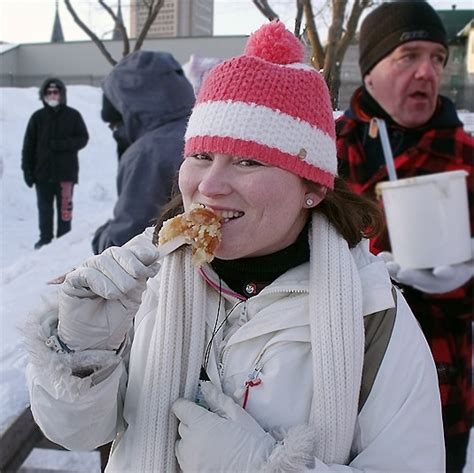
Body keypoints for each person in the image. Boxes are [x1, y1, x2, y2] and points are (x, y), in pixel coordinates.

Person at [25, 22, 444, 472]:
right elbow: (77, 433)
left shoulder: (372, 311)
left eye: (248, 161)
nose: (209, 185)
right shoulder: (145, 281)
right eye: (201, 156)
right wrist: (82, 349)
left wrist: (261, 466)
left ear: (313, 187)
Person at [335, 3, 473, 472]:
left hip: (440, 386)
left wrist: (460, 283)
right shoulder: (325, 152)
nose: (427, 71)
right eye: (408, 55)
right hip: (339, 387)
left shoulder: (465, 157)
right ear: (371, 70)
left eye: (437, 58)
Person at [91, 50, 195, 255]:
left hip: (167, 276)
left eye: (116, 124)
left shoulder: (147, 154)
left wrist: (101, 237)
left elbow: (124, 242)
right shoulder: (205, 128)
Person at [21, 78, 89, 250]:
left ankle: (64, 242)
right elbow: (28, 146)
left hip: (65, 174)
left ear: (62, 94)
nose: (52, 95)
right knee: (44, 210)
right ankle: (45, 240)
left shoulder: (73, 116)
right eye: (49, 92)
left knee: (65, 211)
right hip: (42, 174)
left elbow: (83, 138)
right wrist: (27, 171)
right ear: (43, 95)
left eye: (55, 92)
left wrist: (62, 144)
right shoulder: (37, 118)